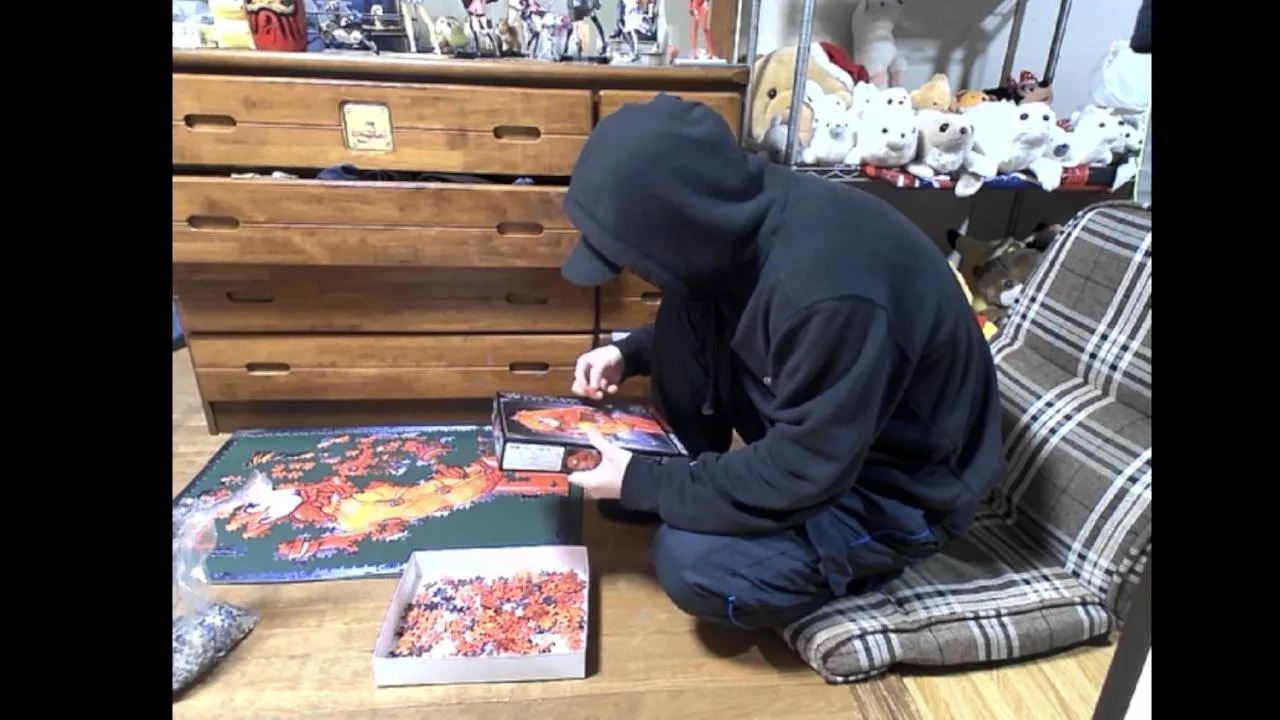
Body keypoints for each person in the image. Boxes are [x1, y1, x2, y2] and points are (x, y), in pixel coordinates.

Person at [559, 94, 1005, 631]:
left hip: (903, 486)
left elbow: (804, 467)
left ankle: (861, 563)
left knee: (693, 564)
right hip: (833, 440)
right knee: (686, 299)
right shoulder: (740, 216)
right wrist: (627, 352)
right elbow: (724, 305)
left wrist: (649, 486)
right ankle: (692, 479)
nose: (632, 271)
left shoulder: (828, 290)